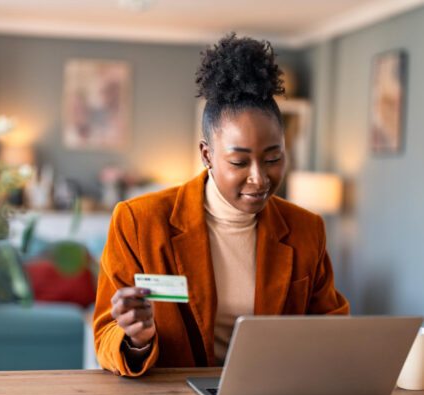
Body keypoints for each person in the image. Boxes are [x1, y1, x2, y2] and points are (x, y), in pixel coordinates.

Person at [93, 33, 349, 377]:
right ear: (207, 155)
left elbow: (332, 329)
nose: (259, 178)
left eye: (273, 158)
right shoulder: (139, 222)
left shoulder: (306, 230)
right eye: (240, 163)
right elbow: (105, 336)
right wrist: (136, 338)